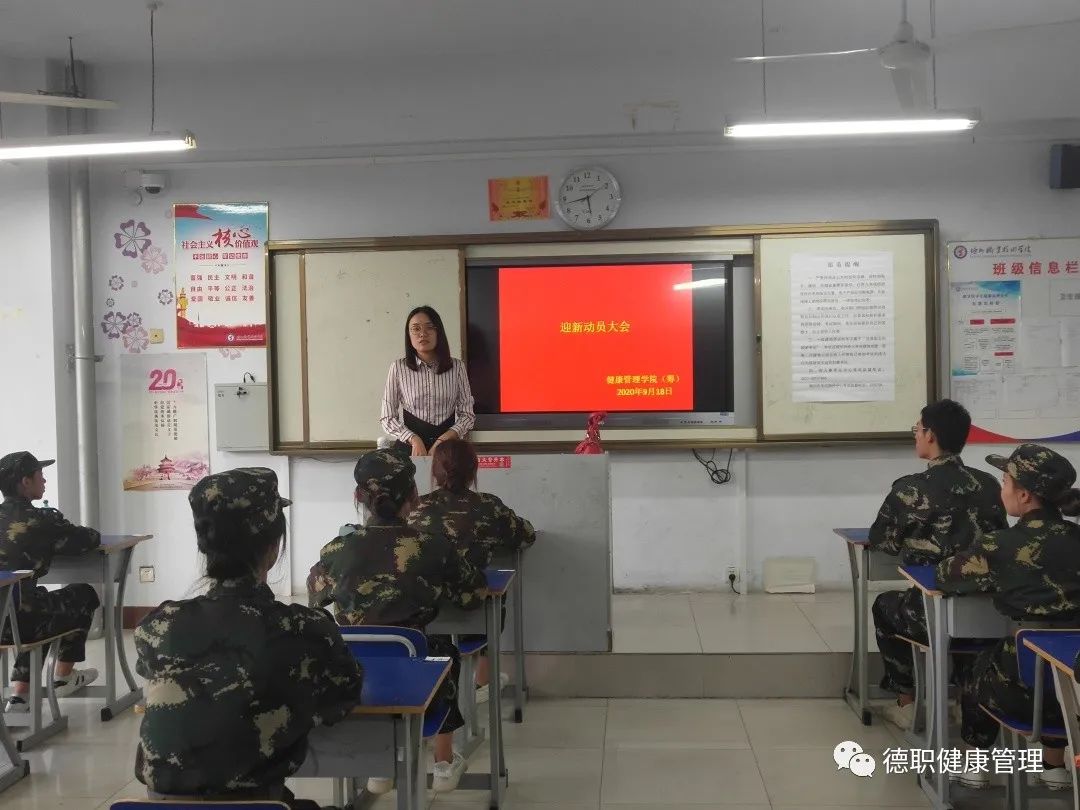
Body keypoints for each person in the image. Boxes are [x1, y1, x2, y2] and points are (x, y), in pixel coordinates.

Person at [134, 468, 363, 810]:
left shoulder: (159, 626)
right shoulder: (304, 629)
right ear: (273, 548)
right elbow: (344, 692)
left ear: (205, 546)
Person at [308, 448, 486, 793]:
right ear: (414, 496)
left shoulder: (335, 550)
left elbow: (317, 599)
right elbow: (473, 595)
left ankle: (380, 762)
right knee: (442, 651)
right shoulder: (432, 547)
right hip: (418, 679)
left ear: (358, 497)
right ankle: (444, 762)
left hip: (353, 679)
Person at [938, 444, 1080, 791]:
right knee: (1057, 666)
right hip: (1076, 694)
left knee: (979, 667)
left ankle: (975, 765)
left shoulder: (1000, 544)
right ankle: (1054, 767)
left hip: (1022, 694)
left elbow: (946, 575)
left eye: (1005, 482)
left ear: (1025, 495)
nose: (1002, 490)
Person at [868, 400, 1007, 728]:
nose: (915, 435)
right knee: (969, 632)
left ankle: (906, 702)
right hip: (987, 611)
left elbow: (882, 541)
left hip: (929, 615)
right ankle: (966, 703)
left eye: (917, 429)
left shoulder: (909, 490)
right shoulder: (989, 485)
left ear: (930, 435)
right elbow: (1000, 540)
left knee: (884, 607)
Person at [408, 438, 535, 703]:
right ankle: (483, 680)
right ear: (473, 470)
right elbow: (526, 535)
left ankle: (437, 680)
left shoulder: (417, 508)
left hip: (424, 613)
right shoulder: (488, 506)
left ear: (435, 471)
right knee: (494, 594)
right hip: (472, 610)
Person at [0, 451, 100, 711]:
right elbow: (89, 539)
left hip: (5, 620)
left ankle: (20, 696)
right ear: (25, 482)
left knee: (34, 601)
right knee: (83, 594)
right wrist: (58, 522)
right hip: (19, 624)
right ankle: (63, 677)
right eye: (40, 475)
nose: (44, 480)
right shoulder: (41, 521)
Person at [380, 305, 475, 457]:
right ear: (409, 335)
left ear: (439, 332)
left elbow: (468, 416)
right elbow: (387, 417)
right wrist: (413, 439)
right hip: (410, 449)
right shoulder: (398, 368)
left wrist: (443, 440)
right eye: (416, 329)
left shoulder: (457, 367)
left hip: (447, 451)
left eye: (429, 327)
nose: (422, 334)